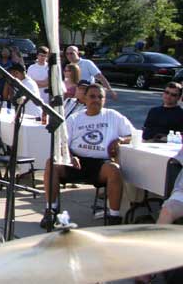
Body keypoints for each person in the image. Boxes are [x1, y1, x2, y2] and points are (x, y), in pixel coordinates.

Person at [41, 83, 133, 228]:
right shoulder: (74, 119)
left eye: (100, 97)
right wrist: (69, 156)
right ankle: (50, 210)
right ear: (85, 98)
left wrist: (120, 140)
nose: (96, 100)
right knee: (51, 163)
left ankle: (114, 217)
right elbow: (62, 143)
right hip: (75, 161)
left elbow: (132, 135)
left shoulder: (113, 116)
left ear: (104, 100)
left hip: (100, 163)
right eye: (92, 96)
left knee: (114, 169)